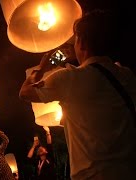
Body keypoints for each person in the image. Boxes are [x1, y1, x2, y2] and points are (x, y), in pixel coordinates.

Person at [19, 9, 136, 179]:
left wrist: (42, 68)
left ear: (81, 43)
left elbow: (25, 93)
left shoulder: (70, 78)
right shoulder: (127, 76)